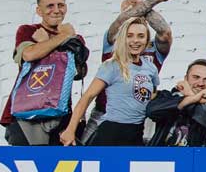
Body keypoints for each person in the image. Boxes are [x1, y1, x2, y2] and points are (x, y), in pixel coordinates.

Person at [1, 0, 89, 146]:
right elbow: (29, 55)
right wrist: (64, 36)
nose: (56, 10)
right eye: (50, 6)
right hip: (25, 113)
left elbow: (79, 72)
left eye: (60, 5)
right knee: (27, 161)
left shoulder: (76, 38)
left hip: (60, 112)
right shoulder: (27, 31)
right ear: (39, 11)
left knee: (63, 162)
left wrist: (46, 43)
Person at [60, 18, 158, 146]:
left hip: (137, 132)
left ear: (147, 40)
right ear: (123, 38)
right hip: (111, 132)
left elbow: (152, 94)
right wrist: (70, 130)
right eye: (129, 36)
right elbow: (87, 97)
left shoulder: (150, 68)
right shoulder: (112, 66)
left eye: (141, 36)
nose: (135, 40)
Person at [146, 59, 206, 147]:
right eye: (196, 77)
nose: (201, 83)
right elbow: (151, 111)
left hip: (197, 155)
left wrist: (191, 96)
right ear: (186, 78)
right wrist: (189, 100)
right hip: (161, 154)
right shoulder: (167, 96)